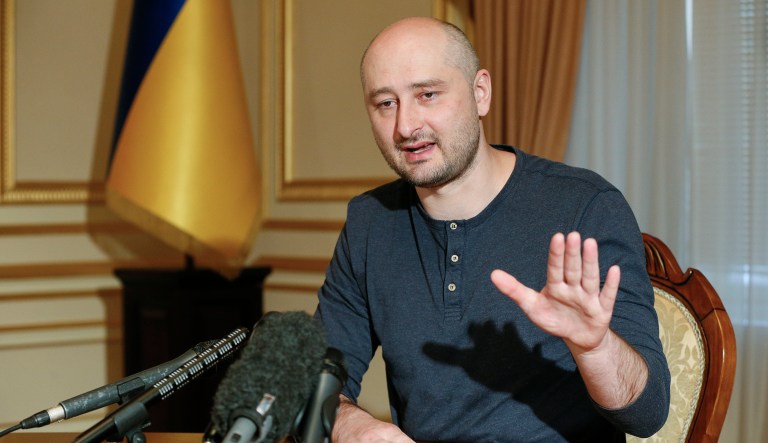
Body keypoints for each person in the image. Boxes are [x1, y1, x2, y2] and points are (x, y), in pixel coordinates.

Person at [314, 16, 670, 442]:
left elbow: (647, 416)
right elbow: (316, 380)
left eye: (427, 94)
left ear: (480, 93)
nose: (406, 126)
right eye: (385, 103)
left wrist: (593, 347)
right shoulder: (369, 222)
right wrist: (353, 426)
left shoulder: (585, 206)